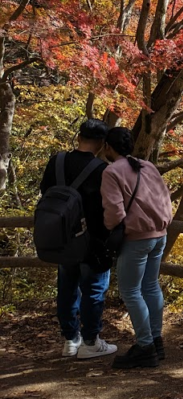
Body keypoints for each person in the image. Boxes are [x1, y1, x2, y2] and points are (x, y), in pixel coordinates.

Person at [40, 118, 118, 359]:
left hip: (63, 238)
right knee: (94, 289)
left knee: (66, 287)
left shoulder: (57, 161)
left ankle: (70, 340)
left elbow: (45, 192)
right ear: (103, 144)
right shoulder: (102, 170)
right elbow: (108, 207)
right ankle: (90, 341)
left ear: (78, 137)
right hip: (92, 240)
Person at [100, 127, 172, 369]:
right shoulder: (147, 166)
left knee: (130, 291)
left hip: (136, 238)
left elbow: (114, 211)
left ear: (108, 147)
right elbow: (164, 197)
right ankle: (156, 340)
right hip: (159, 234)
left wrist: (112, 228)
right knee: (151, 286)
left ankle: (145, 346)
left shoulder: (112, 171)